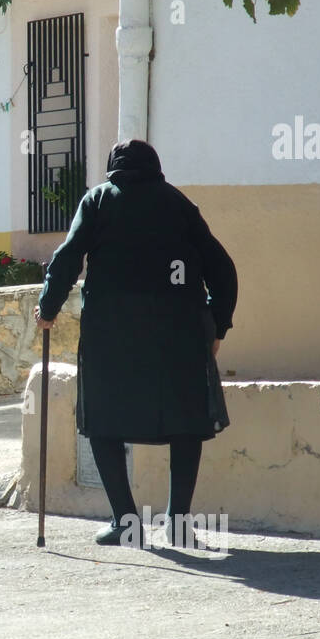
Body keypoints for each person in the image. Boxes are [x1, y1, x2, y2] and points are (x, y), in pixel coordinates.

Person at [34, 139, 238, 548]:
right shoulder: (178, 205)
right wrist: (217, 325)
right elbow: (222, 267)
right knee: (187, 420)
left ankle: (126, 523)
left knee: (103, 418)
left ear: (114, 167)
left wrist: (48, 308)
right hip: (178, 332)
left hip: (112, 335)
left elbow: (68, 257)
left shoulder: (98, 202)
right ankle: (179, 524)